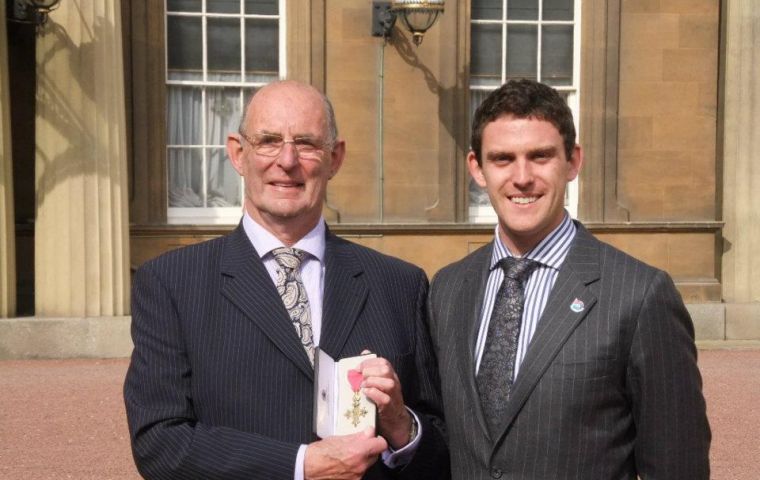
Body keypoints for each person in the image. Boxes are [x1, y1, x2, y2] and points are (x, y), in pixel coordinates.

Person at [124, 80, 448, 480]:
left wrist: (402, 425)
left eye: (307, 143)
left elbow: (441, 452)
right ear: (238, 154)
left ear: (335, 158)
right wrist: (301, 465)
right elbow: (160, 444)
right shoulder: (171, 283)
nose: (287, 160)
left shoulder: (400, 284)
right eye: (268, 141)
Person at [427, 79, 710, 479]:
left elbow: (678, 465)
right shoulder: (448, 288)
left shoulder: (640, 295)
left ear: (573, 161)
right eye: (503, 159)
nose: (521, 177)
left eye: (540, 156)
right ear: (477, 168)